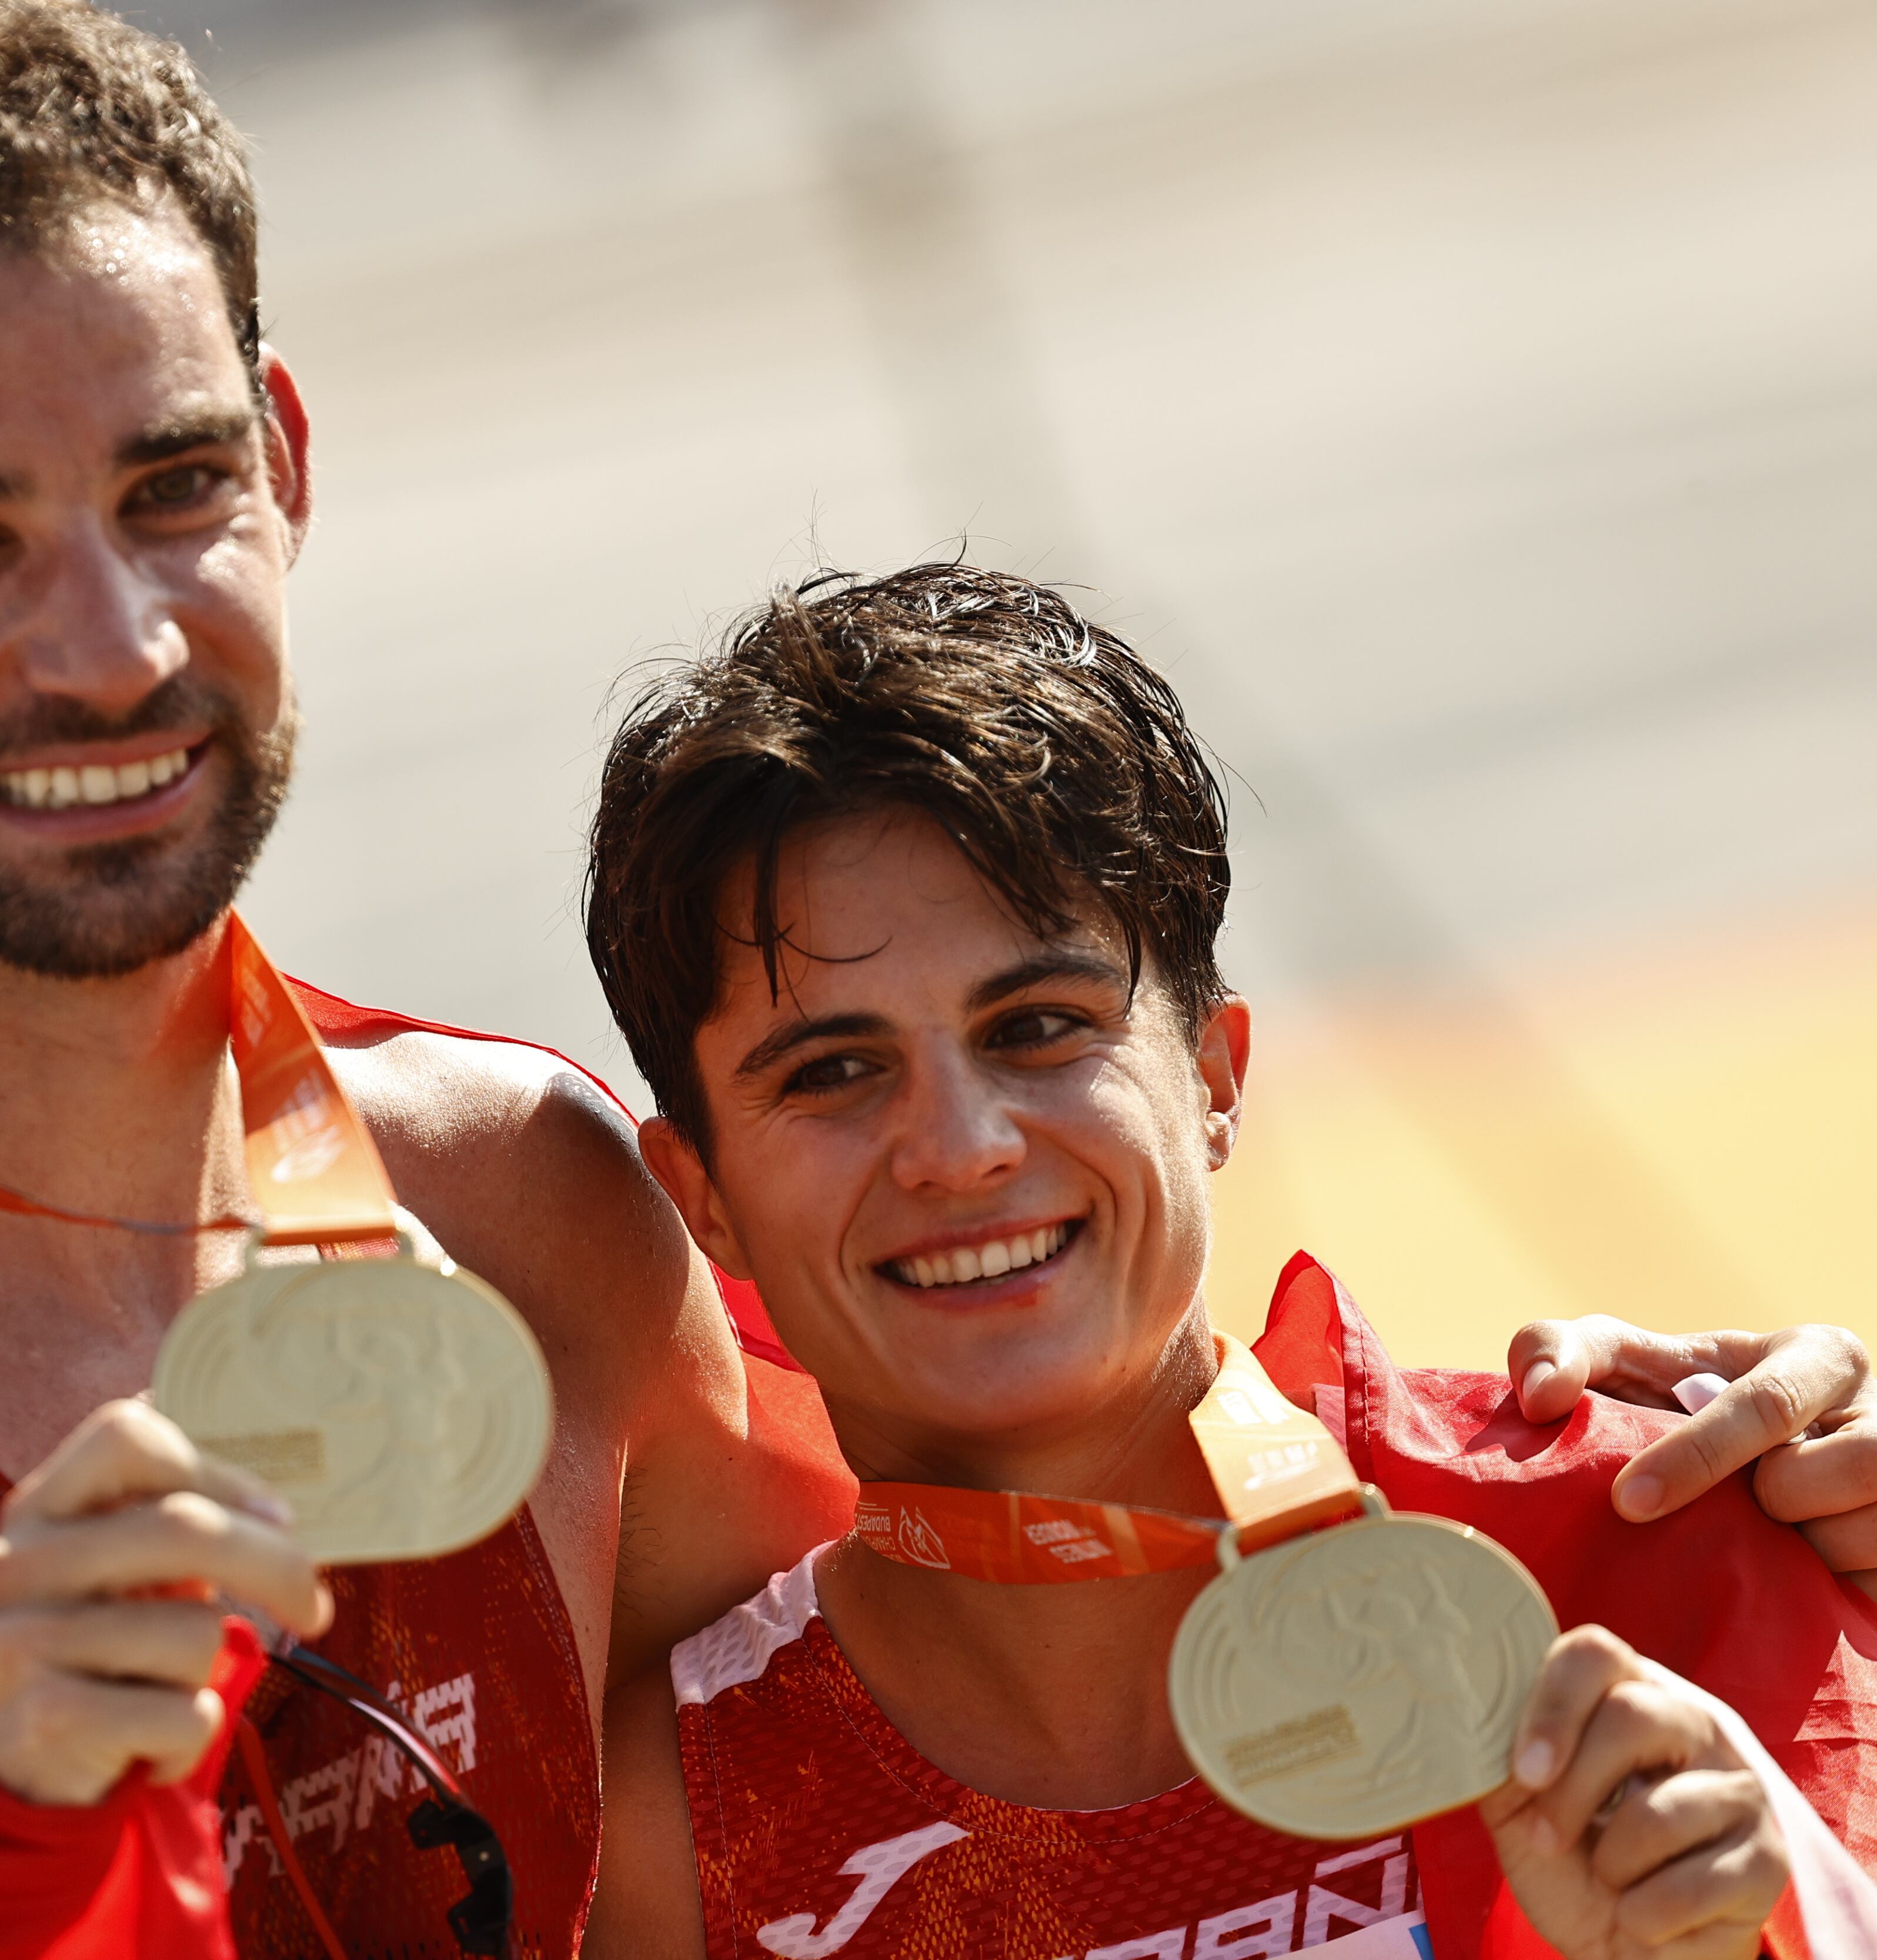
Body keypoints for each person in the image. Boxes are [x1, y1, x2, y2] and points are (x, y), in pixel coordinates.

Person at [0, 6, 1877, 1955]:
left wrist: (1623, 1471)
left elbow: (1011, 1679)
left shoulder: (549, 1225)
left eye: (171, 488)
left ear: (292, 459)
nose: (109, 639)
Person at [582, 566, 1877, 1958]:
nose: (955, 1148)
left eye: (1035, 1025)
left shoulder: (1632, 1538)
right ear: (701, 1194)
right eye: (835, 1069)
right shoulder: (661, 1836)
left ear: (1213, 1073)